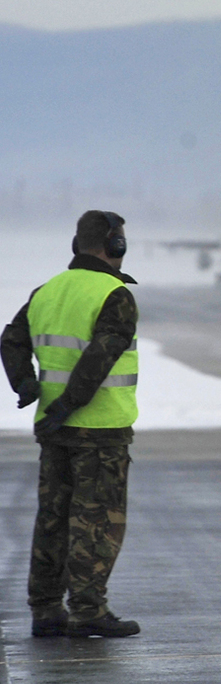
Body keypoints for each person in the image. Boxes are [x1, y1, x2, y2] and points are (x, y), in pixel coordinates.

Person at [0, 211, 142, 639]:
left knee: (54, 517)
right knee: (96, 522)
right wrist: (70, 404)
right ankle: (88, 610)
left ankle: (45, 608)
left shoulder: (47, 291)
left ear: (75, 244)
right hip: (99, 429)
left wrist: (25, 382)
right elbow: (100, 357)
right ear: (115, 245)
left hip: (53, 429)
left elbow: (11, 338)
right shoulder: (114, 294)